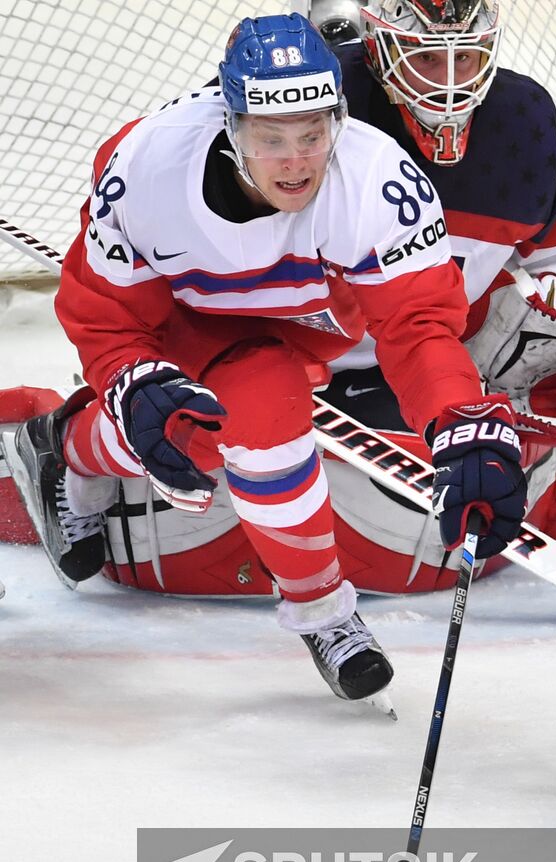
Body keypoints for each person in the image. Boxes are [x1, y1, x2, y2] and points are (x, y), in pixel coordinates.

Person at [7, 13, 528, 708]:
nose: (295, 161)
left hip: (307, 326)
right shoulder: (146, 167)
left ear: (338, 120)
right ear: (229, 126)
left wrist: (460, 420)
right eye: (269, 138)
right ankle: (322, 610)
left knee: (229, 419)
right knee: (217, 421)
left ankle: (66, 444)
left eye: (313, 134)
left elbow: (419, 329)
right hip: (183, 315)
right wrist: (130, 378)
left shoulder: (379, 179)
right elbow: (106, 316)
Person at [303, 0, 556, 550]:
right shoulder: (309, 109)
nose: (448, 84)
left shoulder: (530, 125)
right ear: (378, 47)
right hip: (296, 349)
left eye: (465, 58)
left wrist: (528, 331)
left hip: (432, 352)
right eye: (426, 58)